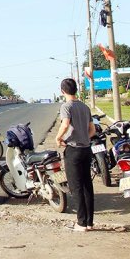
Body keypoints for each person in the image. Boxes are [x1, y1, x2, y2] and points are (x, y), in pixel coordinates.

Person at [55, 78, 96, 232]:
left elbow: (65, 124)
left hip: (73, 150)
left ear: (62, 91)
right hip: (86, 149)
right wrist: (84, 137)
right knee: (87, 185)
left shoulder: (66, 106)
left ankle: (81, 223)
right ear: (76, 90)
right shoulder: (85, 107)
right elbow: (92, 130)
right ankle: (89, 222)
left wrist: (58, 138)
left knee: (76, 187)